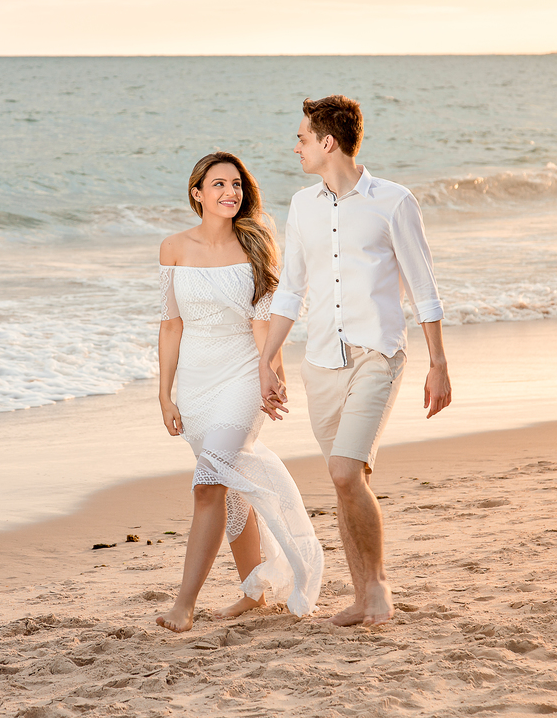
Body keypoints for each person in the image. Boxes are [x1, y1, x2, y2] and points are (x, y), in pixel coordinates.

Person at [258, 95, 452, 627]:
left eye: (302, 138)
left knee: (346, 471)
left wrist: (438, 362)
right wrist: (267, 359)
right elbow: (291, 290)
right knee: (346, 478)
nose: (295, 146)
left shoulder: (393, 201)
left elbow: (422, 286)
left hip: (378, 354)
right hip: (320, 362)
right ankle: (362, 592)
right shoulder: (302, 206)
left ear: (327, 143)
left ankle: (379, 589)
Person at [156, 151, 324, 633]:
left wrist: (273, 373)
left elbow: (263, 325)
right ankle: (255, 590)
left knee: (209, 482)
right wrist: (165, 395)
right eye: (218, 185)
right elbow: (170, 327)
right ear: (197, 193)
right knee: (228, 490)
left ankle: (183, 605)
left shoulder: (256, 246)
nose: (230, 193)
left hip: (242, 378)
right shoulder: (172, 248)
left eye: (236, 185)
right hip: (194, 383)